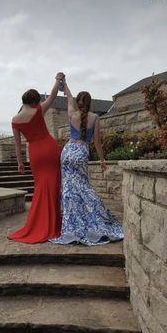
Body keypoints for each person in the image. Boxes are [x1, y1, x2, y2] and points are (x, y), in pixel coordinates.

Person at [50, 78, 124, 246]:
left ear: (78, 103)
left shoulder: (71, 114)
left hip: (67, 152)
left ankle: (72, 225)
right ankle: (94, 217)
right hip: (81, 152)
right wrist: (102, 160)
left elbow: (69, 97)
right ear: (90, 103)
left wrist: (64, 83)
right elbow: (97, 142)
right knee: (84, 187)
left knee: (69, 190)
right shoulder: (96, 117)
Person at [7, 72, 65, 244]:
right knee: (54, 185)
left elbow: (18, 145)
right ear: (34, 101)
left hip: (35, 154)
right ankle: (54, 222)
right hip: (50, 148)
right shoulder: (38, 110)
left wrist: (20, 163)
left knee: (40, 186)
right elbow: (53, 95)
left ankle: (39, 223)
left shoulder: (15, 120)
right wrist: (57, 79)